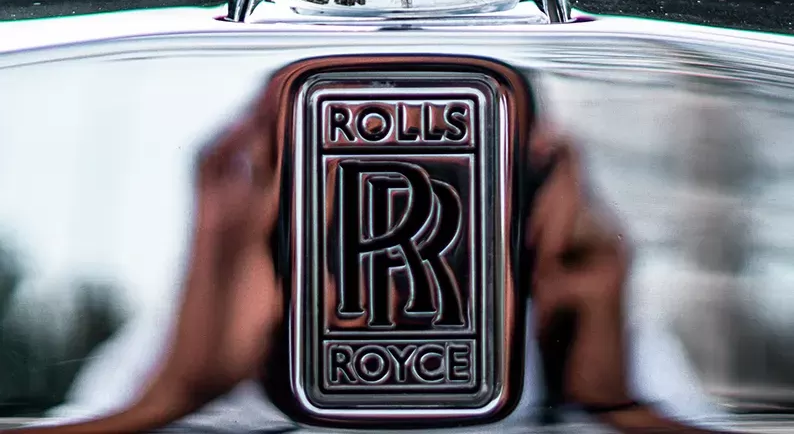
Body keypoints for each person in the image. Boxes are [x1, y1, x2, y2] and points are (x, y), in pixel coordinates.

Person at [36, 96, 722, 434]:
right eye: (349, 140)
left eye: (446, 139)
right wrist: (176, 392)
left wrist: (608, 395)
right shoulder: (188, 342)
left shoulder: (591, 339)